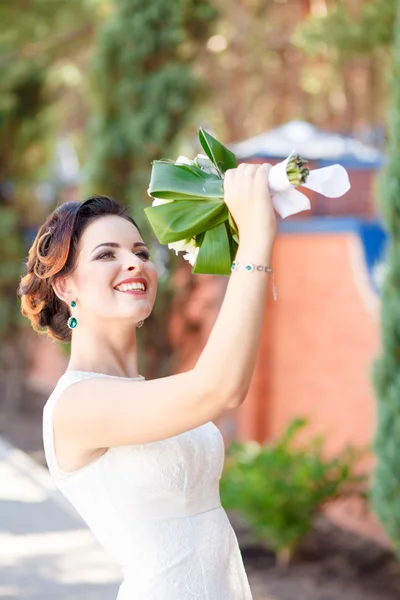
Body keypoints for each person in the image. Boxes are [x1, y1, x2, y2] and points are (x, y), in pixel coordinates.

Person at [18, 162, 276, 599]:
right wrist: (255, 241)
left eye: (140, 252)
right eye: (107, 254)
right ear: (65, 286)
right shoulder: (76, 406)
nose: (134, 264)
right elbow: (221, 387)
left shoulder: (143, 393)